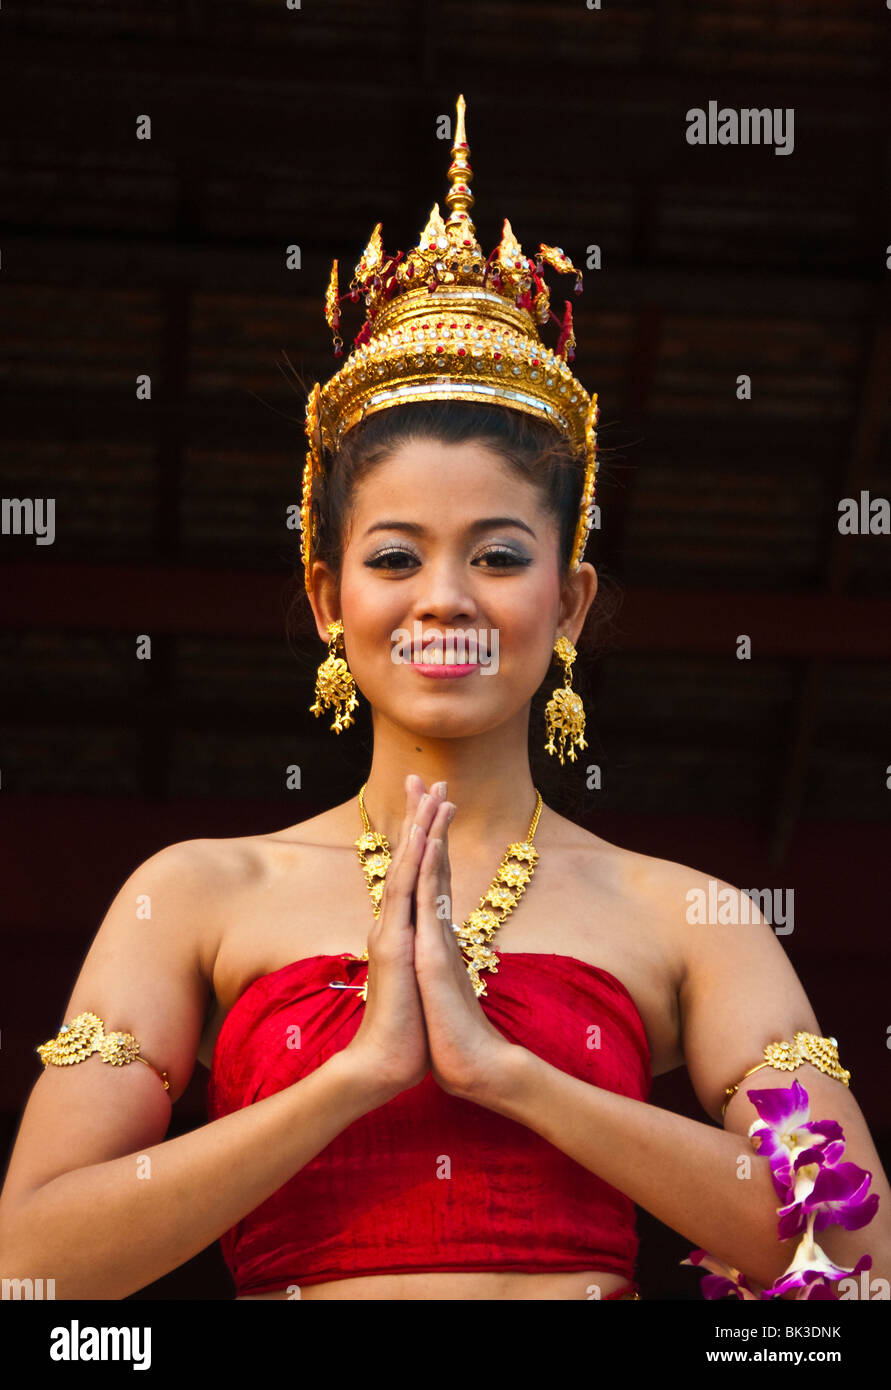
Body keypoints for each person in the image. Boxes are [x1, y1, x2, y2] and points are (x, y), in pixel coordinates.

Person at [1, 97, 888, 1303]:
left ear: (568, 605)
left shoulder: (691, 914)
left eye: (501, 557)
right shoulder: (196, 893)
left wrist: (506, 1073)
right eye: (395, 556)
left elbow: (852, 1255)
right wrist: (360, 1074)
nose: (446, 599)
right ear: (328, 599)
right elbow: (33, 1263)